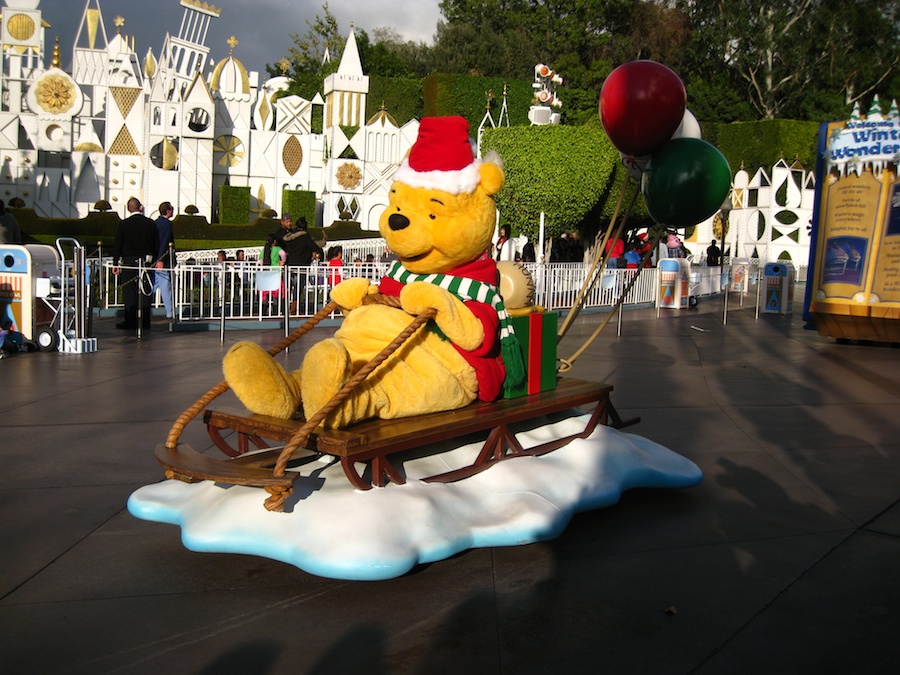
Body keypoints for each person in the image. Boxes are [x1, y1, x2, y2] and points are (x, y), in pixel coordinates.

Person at [112, 197, 159, 330]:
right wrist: (155, 260)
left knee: (129, 292)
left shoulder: (124, 224)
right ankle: (145, 321)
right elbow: (157, 244)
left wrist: (116, 263)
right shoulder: (150, 224)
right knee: (146, 290)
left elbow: (118, 245)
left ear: (128, 209)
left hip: (129, 261)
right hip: (146, 261)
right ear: (140, 208)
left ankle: (130, 321)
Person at [152, 201, 176, 319]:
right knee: (165, 287)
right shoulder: (166, 224)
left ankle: (138, 307)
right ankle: (170, 313)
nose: (173, 211)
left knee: (153, 285)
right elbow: (164, 241)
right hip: (162, 261)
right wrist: (161, 259)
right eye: (172, 209)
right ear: (168, 211)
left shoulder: (156, 223)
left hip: (155, 259)